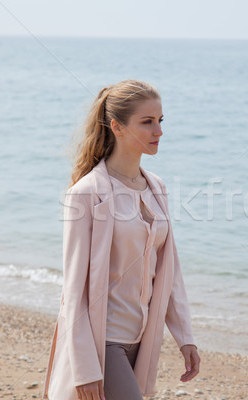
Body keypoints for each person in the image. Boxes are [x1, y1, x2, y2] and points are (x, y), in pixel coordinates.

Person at [43, 80, 200, 400]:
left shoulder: (157, 187)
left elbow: (170, 273)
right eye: (147, 122)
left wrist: (185, 337)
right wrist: (85, 367)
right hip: (104, 341)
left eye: (160, 120)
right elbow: (73, 291)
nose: (158, 130)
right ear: (116, 126)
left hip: (142, 341)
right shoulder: (86, 194)